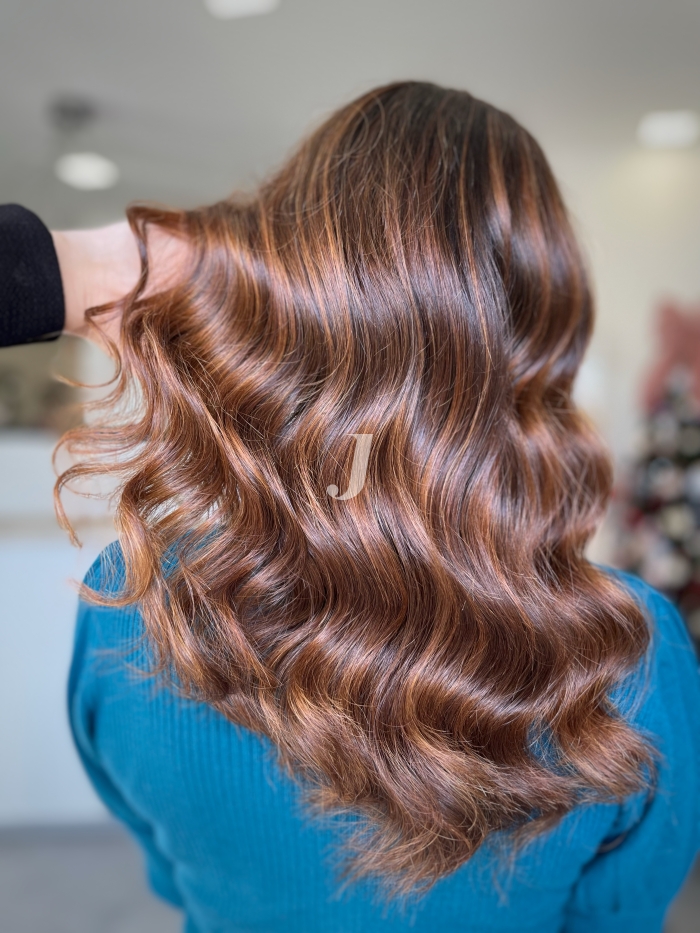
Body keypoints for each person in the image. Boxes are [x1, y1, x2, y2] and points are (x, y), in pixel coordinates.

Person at [12, 81, 700, 931]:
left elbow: (169, 867)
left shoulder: (132, 599)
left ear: (282, 297)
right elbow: (615, 917)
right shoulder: (631, 651)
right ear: (542, 332)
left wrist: (77, 265)